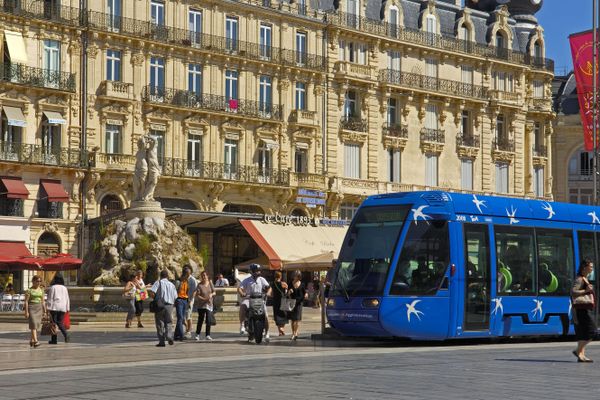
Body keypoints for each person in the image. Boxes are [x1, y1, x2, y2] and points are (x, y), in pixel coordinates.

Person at [571, 258, 596, 362]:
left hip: (584, 308)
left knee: (583, 332)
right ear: (584, 267)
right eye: (590, 267)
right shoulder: (579, 279)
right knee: (592, 331)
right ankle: (578, 350)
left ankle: (581, 355)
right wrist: (585, 290)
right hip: (581, 309)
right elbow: (573, 292)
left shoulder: (584, 278)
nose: (592, 269)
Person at [238, 264, 270, 342]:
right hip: (248, 299)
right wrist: (242, 293)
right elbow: (240, 288)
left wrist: (268, 293)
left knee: (266, 315)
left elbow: (269, 287)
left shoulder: (262, 279)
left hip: (260, 300)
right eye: (256, 271)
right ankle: (242, 325)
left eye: (259, 270)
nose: (258, 272)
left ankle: (267, 333)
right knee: (242, 306)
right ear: (252, 271)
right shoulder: (246, 280)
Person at [149, 269, 177, 347]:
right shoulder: (172, 285)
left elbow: (152, 292)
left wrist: (155, 299)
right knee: (169, 322)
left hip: (160, 305)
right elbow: (175, 297)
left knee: (160, 323)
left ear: (160, 276)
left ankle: (162, 341)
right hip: (170, 306)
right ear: (167, 276)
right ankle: (169, 337)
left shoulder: (158, 282)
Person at [46, 275, 70, 344]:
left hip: (54, 307)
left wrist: (48, 307)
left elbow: (50, 298)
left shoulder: (53, 287)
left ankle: (54, 339)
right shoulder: (64, 288)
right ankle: (66, 334)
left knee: (53, 323)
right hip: (62, 307)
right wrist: (67, 308)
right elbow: (67, 298)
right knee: (60, 322)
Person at [24, 275, 46, 348]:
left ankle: (31, 340)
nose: (39, 282)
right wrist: (26, 312)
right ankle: (36, 341)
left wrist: (45, 311)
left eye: (40, 281)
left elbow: (43, 301)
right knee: (33, 324)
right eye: (37, 281)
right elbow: (26, 302)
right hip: (31, 308)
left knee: (36, 325)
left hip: (39, 308)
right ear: (33, 281)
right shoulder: (29, 290)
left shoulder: (41, 290)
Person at [194, 271, 216, 341]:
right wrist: (203, 299)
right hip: (201, 305)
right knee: (200, 319)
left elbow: (214, 292)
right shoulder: (199, 285)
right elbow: (197, 295)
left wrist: (211, 295)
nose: (204, 277)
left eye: (205, 275)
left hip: (209, 304)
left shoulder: (210, 283)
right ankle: (197, 334)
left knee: (208, 320)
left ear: (207, 276)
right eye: (202, 276)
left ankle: (208, 335)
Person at [288, 270, 307, 341]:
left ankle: (295, 333)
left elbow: (304, 292)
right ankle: (293, 333)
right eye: (295, 275)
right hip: (292, 302)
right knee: (293, 320)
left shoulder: (302, 284)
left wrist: (306, 295)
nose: (296, 277)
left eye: (297, 276)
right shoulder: (290, 283)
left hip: (299, 303)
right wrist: (289, 292)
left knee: (297, 319)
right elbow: (287, 293)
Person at [174, 266, 192, 341]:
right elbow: (174, 292)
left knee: (181, 318)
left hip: (185, 300)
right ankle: (181, 335)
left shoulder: (187, 281)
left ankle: (176, 335)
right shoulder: (178, 282)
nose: (189, 276)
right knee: (180, 318)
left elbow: (187, 291)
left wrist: (188, 301)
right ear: (184, 274)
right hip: (179, 300)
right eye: (188, 274)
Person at [271, 271, 288, 336]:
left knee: (277, 315)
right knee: (283, 315)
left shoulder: (273, 284)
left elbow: (272, 294)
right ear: (280, 276)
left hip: (275, 301)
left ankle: (280, 331)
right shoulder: (284, 284)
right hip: (283, 301)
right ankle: (282, 328)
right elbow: (286, 292)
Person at [184, 268, 198, 339]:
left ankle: (188, 330)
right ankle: (187, 328)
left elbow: (195, 291)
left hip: (189, 300)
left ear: (189, 273)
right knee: (185, 315)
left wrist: (190, 300)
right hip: (184, 299)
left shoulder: (193, 280)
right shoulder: (184, 279)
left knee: (188, 315)